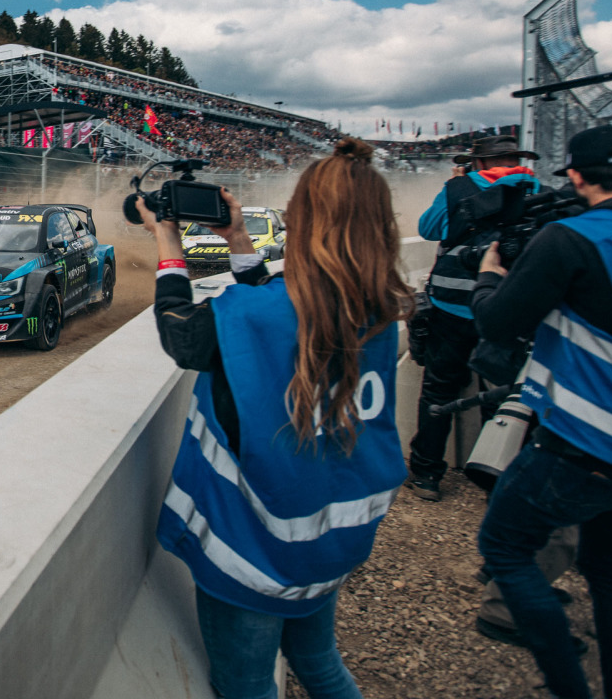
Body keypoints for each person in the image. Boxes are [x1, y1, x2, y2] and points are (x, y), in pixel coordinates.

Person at [140, 138, 412, 699]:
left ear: (304, 221)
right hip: (332, 534)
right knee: (319, 662)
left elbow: (182, 333)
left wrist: (169, 244)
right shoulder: (380, 304)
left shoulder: (258, 311)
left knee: (247, 687)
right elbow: (289, 310)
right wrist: (238, 240)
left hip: (256, 549)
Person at [473, 125, 612, 699]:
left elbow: (498, 322)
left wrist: (491, 276)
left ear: (577, 175)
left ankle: (569, 685)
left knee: (504, 547)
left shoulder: (572, 237)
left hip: (589, 445)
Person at [407, 135, 541, 500]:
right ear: (516, 159)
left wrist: (457, 185)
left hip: (451, 307)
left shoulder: (458, 188)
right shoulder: (536, 188)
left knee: (439, 388)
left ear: (477, 163)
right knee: (499, 393)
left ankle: (426, 474)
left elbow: (429, 229)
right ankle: (495, 475)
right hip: (507, 308)